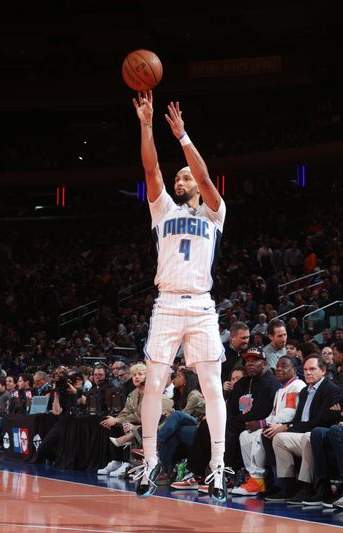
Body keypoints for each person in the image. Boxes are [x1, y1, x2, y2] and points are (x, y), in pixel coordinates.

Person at [131, 90, 228, 500]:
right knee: (154, 383)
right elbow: (151, 167)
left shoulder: (214, 211)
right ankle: (150, 462)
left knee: (212, 386)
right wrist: (147, 124)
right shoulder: (163, 211)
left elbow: (206, 179)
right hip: (168, 303)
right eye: (179, 178)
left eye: (184, 177)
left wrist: (184, 137)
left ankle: (218, 468)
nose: (180, 180)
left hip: (202, 305)